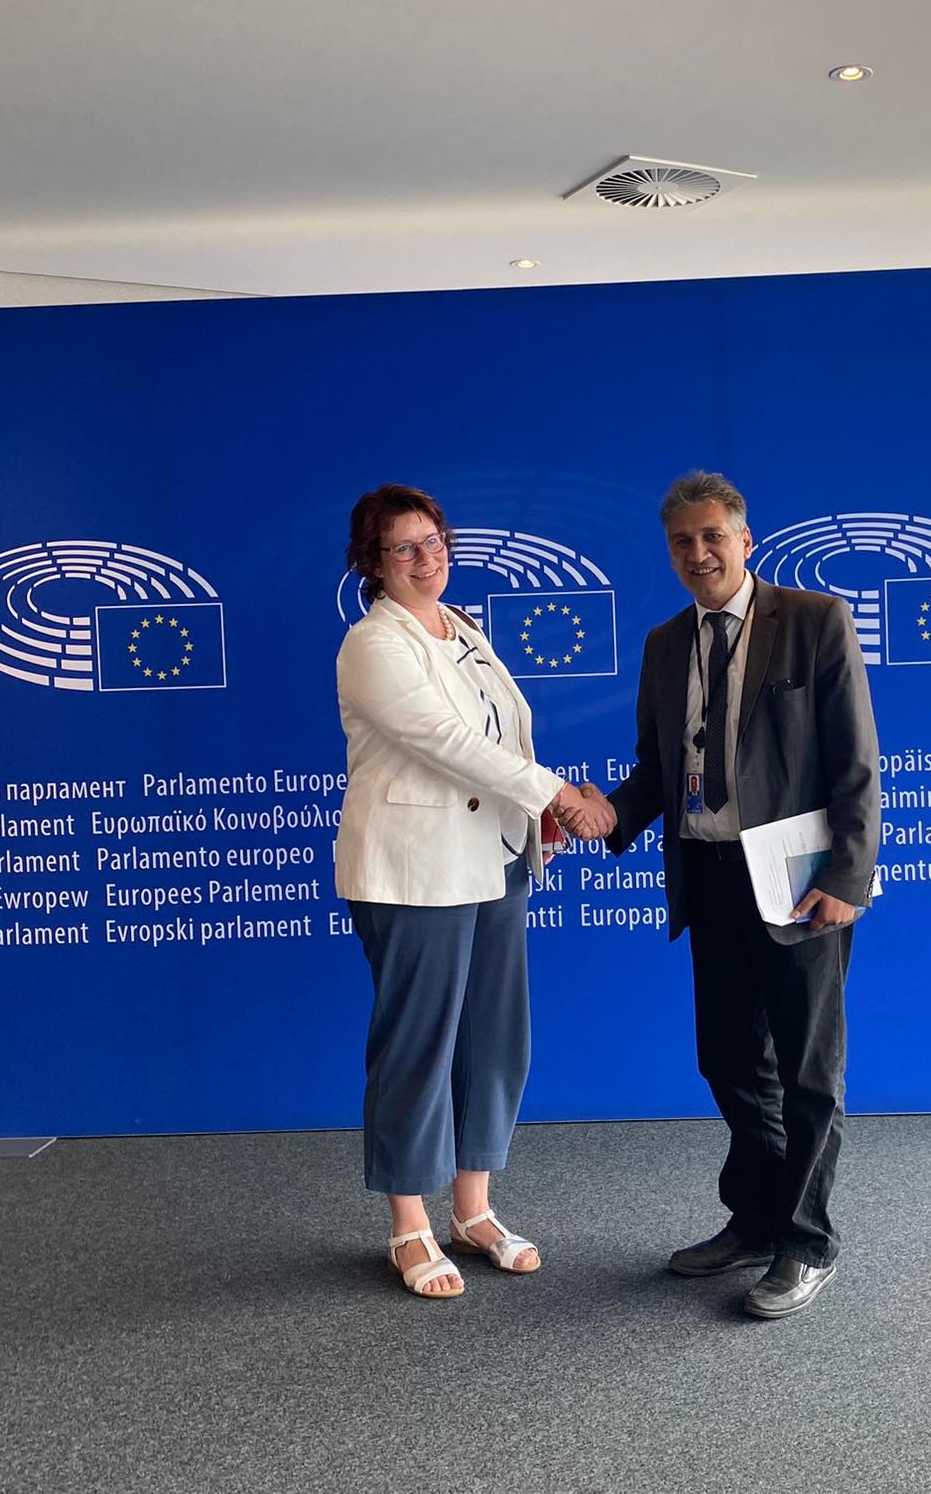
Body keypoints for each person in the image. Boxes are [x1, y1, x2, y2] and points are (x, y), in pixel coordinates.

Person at [561, 470, 881, 1319]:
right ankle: (758, 1218)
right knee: (731, 1063)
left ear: (745, 539)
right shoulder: (666, 643)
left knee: (808, 1072)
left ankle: (806, 1242)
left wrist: (846, 878)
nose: (698, 553)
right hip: (709, 875)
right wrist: (609, 813)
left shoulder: (814, 620)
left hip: (800, 879)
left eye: (712, 536)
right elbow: (658, 769)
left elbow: (855, 760)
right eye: (682, 542)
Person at [334, 483, 594, 1299]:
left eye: (434, 541)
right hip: (415, 873)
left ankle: (474, 1212)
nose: (426, 558)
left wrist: (532, 810)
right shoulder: (374, 644)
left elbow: (502, 735)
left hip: (495, 862)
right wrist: (555, 794)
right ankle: (409, 1223)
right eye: (404, 547)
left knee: (494, 1040)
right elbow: (446, 743)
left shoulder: (464, 628)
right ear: (373, 563)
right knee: (418, 1046)